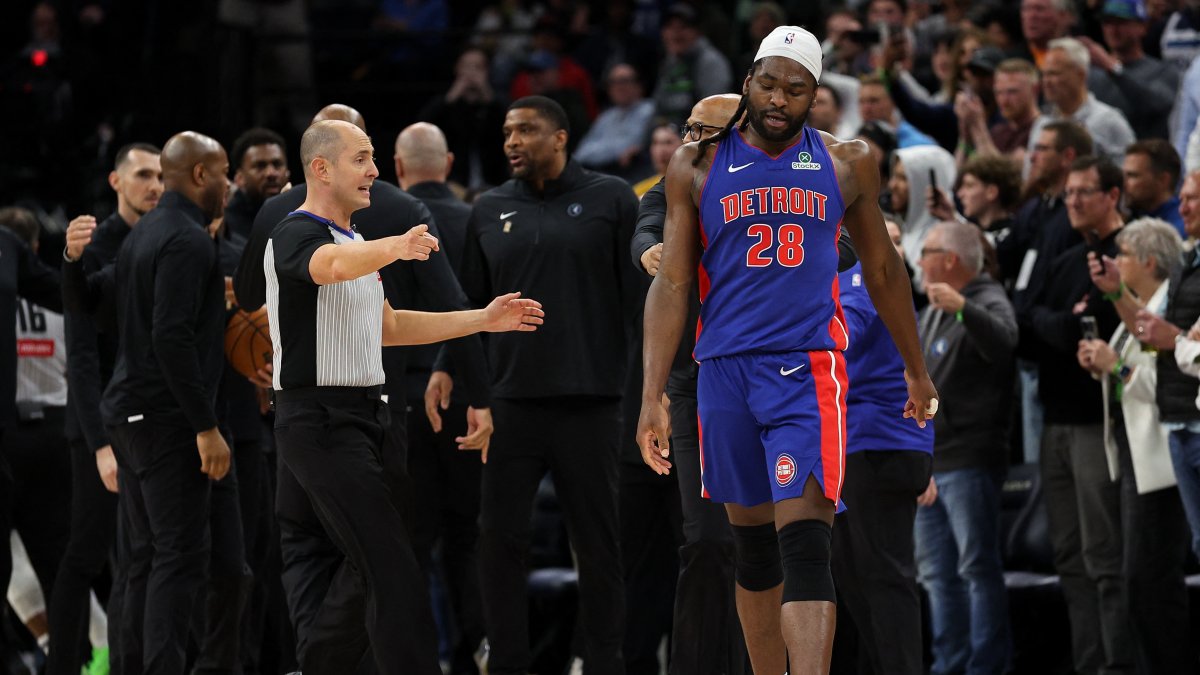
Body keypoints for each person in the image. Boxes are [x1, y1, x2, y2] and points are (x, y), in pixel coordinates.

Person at [637, 26, 938, 675]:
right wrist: (652, 393)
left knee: (805, 541)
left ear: (815, 95)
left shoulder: (846, 159)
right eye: (769, 83)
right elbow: (673, 280)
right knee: (750, 550)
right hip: (721, 369)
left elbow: (884, 272)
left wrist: (917, 368)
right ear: (747, 81)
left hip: (805, 366)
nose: (779, 98)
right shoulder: (695, 163)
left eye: (796, 89)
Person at [263, 119, 543, 674]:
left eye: (373, 158)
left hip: (372, 413)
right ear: (321, 169)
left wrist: (482, 319)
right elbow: (330, 269)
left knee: (383, 563)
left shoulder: (358, 241)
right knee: (389, 565)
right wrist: (399, 245)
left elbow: (390, 327)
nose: (373, 171)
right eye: (360, 159)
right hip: (320, 417)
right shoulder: (297, 232)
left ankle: (318, 665)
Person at [460, 95, 640, 675]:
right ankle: (507, 661)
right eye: (507, 130)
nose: (512, 140)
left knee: (598, 545)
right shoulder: (487, 208)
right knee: (498, 542)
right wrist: (460, 381)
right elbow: (467, 311)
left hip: (593, 402)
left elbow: (639, 307)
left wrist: (649, 394)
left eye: (527, 130)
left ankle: (603, 660)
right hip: (511, 401)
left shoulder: (612, 198)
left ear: (560, 138)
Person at [63, 131, 232, 675]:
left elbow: (89, 301)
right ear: (202, 175)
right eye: (223, 172)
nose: (228, 184)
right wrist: (205, 425)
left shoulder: (145, 234)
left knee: (142, 559)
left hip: (128, 416)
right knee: (178, 559)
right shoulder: (186, 239)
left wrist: (70, 262)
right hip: (165, 421)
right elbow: (171, 337)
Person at [631, 93, 751, 675]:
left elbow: (845, 243)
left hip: (773, 377)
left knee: (773, 543)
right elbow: (648, 225)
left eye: (708, 132)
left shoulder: (781, 184)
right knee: (707, 541)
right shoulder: (674, 181)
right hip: (695, 383)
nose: (692, 141)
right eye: (690, 128)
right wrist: (650, 249)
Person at [45, 141, 161, 675]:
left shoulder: (169, 239)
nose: (153, 185)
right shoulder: (94, 245)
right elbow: (82, 358)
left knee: (149, 555)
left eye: (160, 175)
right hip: (100, 426)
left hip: (153, 422)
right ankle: (63, 665)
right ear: (116, 182)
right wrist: (99, 445)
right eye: (141, 174)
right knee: (87, 554)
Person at [1023, 156, 1132, 675]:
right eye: (1068, 193)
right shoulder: (1067, 259)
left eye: (1085, 192)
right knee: (1068, 555)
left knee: (1104, 555)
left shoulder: (1129, 253)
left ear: (1114, 195)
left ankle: (1117, 662)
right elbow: (1030, 325)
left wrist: (1058, 328)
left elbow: (1078, 330)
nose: (1072, 202)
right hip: (1055, 419)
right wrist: (1059, 327)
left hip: (1100, 421)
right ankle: (1088, 662)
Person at [1081, 217, 1196, 674]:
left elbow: (1163, 381)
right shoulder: (1139, 308)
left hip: (1165, 458)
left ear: (1148, 261)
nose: (1115, 260)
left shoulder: (1167, 309)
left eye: (1123, 253)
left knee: (1150, 581)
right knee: (1140, 582)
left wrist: (1117, 369)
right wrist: (1103, 366)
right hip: (1136, 455)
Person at [394, 121, 488, 674]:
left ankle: (415, 659)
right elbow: (476, 310)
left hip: (402, 398)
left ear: (399, 168)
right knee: (468, 537)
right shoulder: (476, 218)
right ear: (449, 164)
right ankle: (474, 650)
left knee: (409, 544)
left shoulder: (377, 224)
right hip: (470, 397)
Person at [914, 220, 1016, 675]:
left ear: (950, 260)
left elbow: (1006, 341)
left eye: (927, 252)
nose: (920, 261)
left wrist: (963, 309)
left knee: (976, 569)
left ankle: (985, 666)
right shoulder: (931, 307)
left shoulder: (984, 295)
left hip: (971, 459)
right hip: (934, 462)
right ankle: (948, 664)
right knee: (937, 576)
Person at [830, 260, 934, 675]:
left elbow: (846, 329)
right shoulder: (841, 270)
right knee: (853, 578)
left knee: (885, 579)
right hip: (857, 443)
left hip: (880, 442)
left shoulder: (861, 270)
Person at [1133, 171, 1200, 580]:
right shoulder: (1186, 261)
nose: (1183, 207)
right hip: (1178, 418)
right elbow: (1164, 343)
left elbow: (1183, 348)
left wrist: (1180, 341)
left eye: (1194, 198)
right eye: (1182, 197)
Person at [1026, 37, 1135, 166]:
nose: (1046, 82)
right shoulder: (1042, 124)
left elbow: (1127, 173)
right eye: (1044, 74)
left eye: (1054, 74)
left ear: (1081, 75)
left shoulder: (1108, 121)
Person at [1083, 0, 1180, 141]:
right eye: (1107, 23)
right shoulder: (1093, 74)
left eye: (1121, 23)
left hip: (1146, 154)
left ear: (1143, 26)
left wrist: (1114, 70)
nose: (1113, 30)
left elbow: (1158, 105)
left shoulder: (1163, 71)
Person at [652, 3, 734, 123]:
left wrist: (685, 138)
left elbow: (714, 113)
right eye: (670, 27)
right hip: (669, 135)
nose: (676, 33)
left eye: (683, 27)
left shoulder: (711, 62)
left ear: (697, 32)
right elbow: (658, 108)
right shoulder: (670, 62)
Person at [572, 63, 656, 175]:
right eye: (613, 82)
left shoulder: (649, 110)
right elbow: (581, 153)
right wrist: (613, 152)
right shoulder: (606, 117)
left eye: (624, 81)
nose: (619, 87)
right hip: (599, 173)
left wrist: (601, 149)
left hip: (630, 174)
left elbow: (629, 144)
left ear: (638, 85)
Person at [1123, 139, 1185, 237]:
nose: (1124, 183)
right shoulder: (1135, 218)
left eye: (1133, 176)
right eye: (1124, 176)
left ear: (1163, 180)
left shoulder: (1179, 229)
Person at [632, 121, 683, 198]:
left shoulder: (692, 185)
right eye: (655, 143)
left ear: (684, 145)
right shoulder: (639, 190)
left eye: (668, 142)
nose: (660, 150)